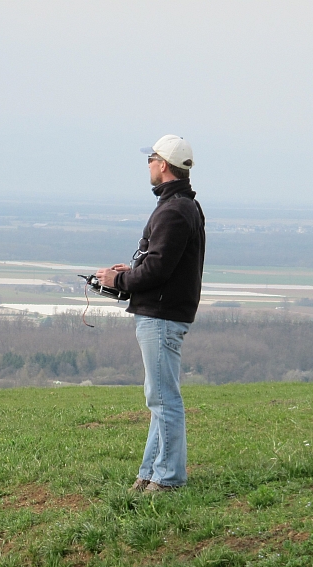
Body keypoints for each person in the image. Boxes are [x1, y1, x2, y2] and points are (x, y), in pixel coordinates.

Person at [95, 135, 205, 492]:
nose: (148, 165)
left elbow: (158, 270)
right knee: (158, 398)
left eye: (151, 159)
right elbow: (162, 264)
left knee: (163, 399)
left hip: (161, 316)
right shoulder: (184, 206)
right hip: (164, 312)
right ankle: (150, 474)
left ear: (163, 165)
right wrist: (131, 272)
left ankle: (168, 478)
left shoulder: (174, 211)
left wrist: (118, 279)